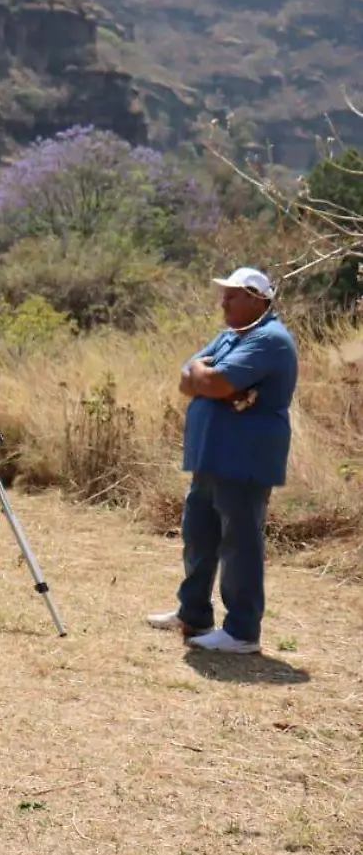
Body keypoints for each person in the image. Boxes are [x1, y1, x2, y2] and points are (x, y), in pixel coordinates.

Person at [147, 267, 298, 654]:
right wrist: (205, 375)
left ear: (257, 299)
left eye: (232, 295)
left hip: (244, 459)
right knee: (199, 535)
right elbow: (188, 379)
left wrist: (206, 376)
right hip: (211, 456)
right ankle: (193, 614)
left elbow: (210, 382)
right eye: (225, 294)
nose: (223, 302)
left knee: (239, 544)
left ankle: (242, 632)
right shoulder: (232, 336)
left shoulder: (270, 340)